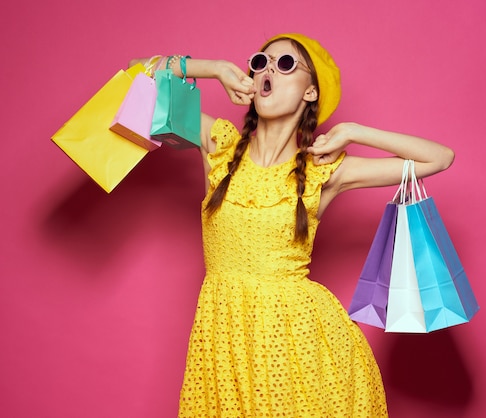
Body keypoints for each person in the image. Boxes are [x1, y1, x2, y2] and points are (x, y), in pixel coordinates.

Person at [132, 33, 454, 417]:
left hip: (299, 346)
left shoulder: (322, 171)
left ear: (311, 93)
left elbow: (439, 158)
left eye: (285, 65)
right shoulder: (218, 145)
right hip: (224, 341)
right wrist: (212, 69)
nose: (269, 69)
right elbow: (138, 83)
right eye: (261, 62)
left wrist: (354, 132)